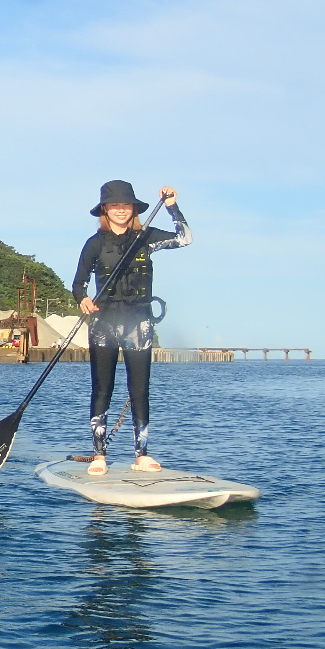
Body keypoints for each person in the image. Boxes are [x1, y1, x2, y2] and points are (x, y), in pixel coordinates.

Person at [72, 180, 191, 475]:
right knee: (102, 388)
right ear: (105, 209)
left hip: (139, 323)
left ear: (134, 209)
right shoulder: (95, 244)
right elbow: (79, 282)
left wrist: (172, 206)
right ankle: (99, 455)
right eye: (115, 205)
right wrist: (82, 299)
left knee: (140, 389)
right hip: (104, 323)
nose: (121, 210)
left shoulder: (146, 237)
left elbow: (185, 238)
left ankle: (142, 455)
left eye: (126, 205)